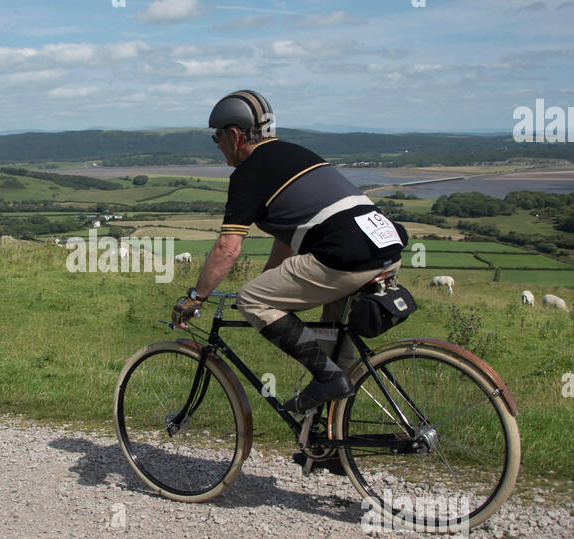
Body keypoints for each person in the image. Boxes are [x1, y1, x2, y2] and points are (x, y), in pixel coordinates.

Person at [172, 90, 406, 412]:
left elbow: (227, 248)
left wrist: (196, 297)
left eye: (217, 137)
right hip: (384, 247)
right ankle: (332, 435)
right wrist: (269, 280)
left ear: (235, 135)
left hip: (345, 258)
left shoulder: (249, 173)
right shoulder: (295, 154)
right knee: (336, 352)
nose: (217, 145)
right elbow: (288, 236)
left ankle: (327, 379)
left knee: (251, 299)